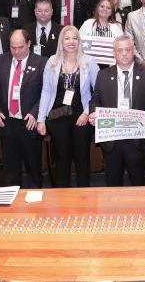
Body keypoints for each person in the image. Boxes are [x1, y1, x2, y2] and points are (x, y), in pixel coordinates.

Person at [89, 36, 145, 186]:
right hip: (112, 139)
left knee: (140, 184)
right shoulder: (103, 75)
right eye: (120, 50)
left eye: (127, 50)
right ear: (114, 53)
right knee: (113, 185)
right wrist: (93, 113)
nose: (124, 54)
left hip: (137, 139)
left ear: (133, 51)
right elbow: (95, 100)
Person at [37, 26, 100, 187]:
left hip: (81, 117)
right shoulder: (52, 62)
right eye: (67, 38)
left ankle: (84, 195)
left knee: (82, 157)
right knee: (61, 158)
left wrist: (87, 113)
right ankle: (61, 194)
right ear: (61, 41)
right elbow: (46, 91)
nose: (71, 42)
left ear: (79, 41)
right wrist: (41, 119)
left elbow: (99, 91)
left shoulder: (89, 62)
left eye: (74, 38)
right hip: (57, 117)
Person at [0, 29, 46, 188]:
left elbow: (46, 93)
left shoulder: (41, 62)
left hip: (29, 122)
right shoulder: (0, 61)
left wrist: (35, 113)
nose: (17, 51)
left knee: (33, 168)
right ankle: (13, 199)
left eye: (20, 47)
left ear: (29, 44)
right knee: (10, 171)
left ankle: (35, 199)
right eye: (13, 47)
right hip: (6, 122)